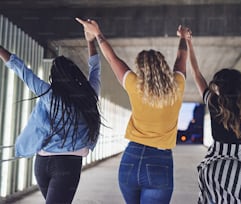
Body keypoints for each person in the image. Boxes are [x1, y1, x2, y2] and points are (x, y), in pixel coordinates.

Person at [76, 17, 190, 204]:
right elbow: (181, 58)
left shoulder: (135, 85)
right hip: (159, 162)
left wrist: (98, 34)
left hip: (131, 159)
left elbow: (112, 59)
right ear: (163, 66)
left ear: (140, 69)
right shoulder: (177, 86)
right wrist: (183, 37)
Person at [0, 29, 102, 204]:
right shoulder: (89, 95)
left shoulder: (49, 95)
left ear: (54, 77)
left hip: (41, 163)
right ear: (75, 75)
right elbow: (96, 68)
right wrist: (91, 41)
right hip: (68, 165)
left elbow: (21, 69)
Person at [187, 29, 241, 204]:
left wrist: (188, 42)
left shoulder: (214, 103)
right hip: (240, 174)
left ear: (219, 87)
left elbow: (196, 73)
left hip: (213, 170)